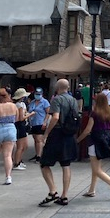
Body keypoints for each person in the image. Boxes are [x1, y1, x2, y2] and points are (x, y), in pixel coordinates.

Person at [38, 79, 79, 207]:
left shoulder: (56, 99)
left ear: (58, 87)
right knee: (66, 164)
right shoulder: (73, 100)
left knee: (44, 163)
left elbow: (55, 117)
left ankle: (53, 191)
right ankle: (64, 195)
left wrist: (46, 134)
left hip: (57, 134)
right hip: (69, 134)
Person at [76, 93, 110, 200]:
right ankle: (91, 190)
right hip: (105, 141)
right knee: (96, 167)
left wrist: (78, 140)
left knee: (96, 169)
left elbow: (87, 130)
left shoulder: (94, 114)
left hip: (94, 141)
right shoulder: (109, 113)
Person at [12, 88, 34, 171]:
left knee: (24, 145)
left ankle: (19, 160)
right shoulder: (19, 105)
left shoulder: (21, 104)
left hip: (22, 125)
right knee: (20, 146)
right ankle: (17, 163)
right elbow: (21, 118)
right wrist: (30, 114)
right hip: (20, 125)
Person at [28, 87, 50, 163]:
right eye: (36, 94)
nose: (37, 95)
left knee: (39, 140)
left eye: (39, 94)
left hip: (40, 122)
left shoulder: (45, 102)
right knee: (35, 139)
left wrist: (45, 122)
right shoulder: (32, 102)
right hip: (33, 123)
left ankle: (39, 156)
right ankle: (37, 153)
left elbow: (48, 112)